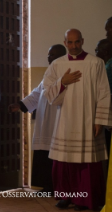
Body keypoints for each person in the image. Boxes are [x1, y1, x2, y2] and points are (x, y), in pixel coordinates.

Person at [43, 29, 111, 211]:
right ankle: (66, 196)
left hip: (88, 120)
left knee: (86, 163)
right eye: (70, 42)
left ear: (82, 41)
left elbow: (104, 93)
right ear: (65, 42)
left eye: (77, 42)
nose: (74, 46)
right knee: (64, 160)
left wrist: (100, 120)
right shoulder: (57, 65)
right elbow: (47, 92)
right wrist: (62, 82)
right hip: (64, 119)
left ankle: (84, 199)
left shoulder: (95, 63)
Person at [8, 44, 66, 195]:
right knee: (43, 154)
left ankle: (57, 188)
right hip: (44, 121)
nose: (49, 57)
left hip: (58, 120)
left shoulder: (67, 73)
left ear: (61, 56)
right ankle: (47, 187)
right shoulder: (49, 73)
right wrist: (20, 104)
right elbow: (36, 93)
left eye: (52, 55)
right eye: (48, 54)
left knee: (55, 154)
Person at [95, 39, 112, 160]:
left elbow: (105, 94)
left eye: (97, 50)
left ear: (105, 51)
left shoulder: (108, 67)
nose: (95, 53)